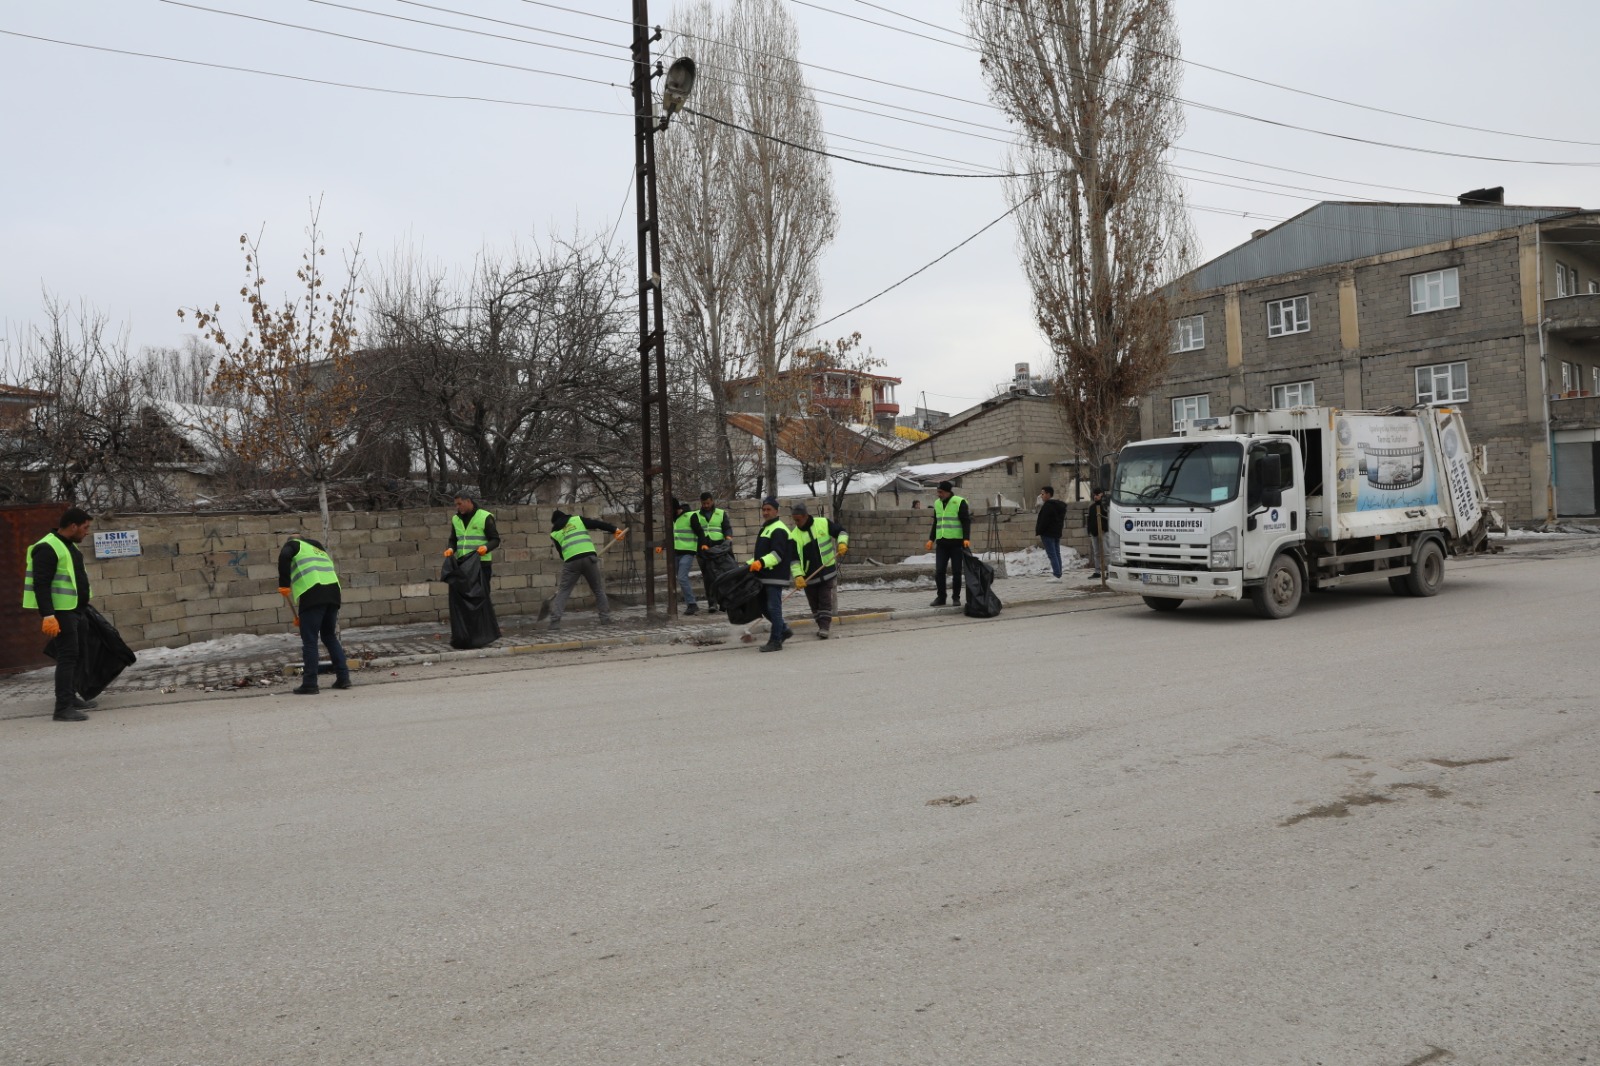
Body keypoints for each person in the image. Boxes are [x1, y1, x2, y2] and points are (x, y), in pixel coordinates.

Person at [23, 507, 98, 722]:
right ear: (73, 526)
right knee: (68, 657)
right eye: (85, 527)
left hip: (76, 610)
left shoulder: (68, 546)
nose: (87, 532)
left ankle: (71, 697)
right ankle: (62, 707)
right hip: (61, 613)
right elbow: (41, 584)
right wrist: (48, 615)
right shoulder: (47, 547)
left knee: (77, 653)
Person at [277, 536, 352, 695]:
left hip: (313, 594)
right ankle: (343, 677)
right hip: (333, 594)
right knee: (329, 636)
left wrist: (284, 584)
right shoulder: (317, 548)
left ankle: (310, 683)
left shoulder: (294, 544)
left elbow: (284, 556)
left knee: (310, 640)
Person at [547, 508, 625, 629]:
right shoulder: (577, 520)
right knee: (598, 590)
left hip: (571, 562)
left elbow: (561, 553)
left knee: (564, 591)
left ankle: (555, 622)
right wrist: (615, 529)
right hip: (589, 558)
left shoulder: (554, 533)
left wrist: (572, 558)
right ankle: (605, 618)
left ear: (555, 522)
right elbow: (597, 524)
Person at [747, 496, 800, 652]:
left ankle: (775, 641)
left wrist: (761, 563)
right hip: (764, 575)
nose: (765, 512)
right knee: (764, 607)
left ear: (776, 511)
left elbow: (777, 555)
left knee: (774, 608)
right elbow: (761, 554)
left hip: (775, 576)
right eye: (763, 509)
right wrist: (750, 564)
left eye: (768, 509)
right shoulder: (767, 528)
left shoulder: (779, 529)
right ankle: (784, 629)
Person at [789, 502, 848, 639]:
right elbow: (794, 559)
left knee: (825, 600)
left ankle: (824, 627)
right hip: (809, 576)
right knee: (814, 604)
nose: (796, 523)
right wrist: (798, 576)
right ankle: (820, 624)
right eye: (794, 520)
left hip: (827, 571)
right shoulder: (794, 536)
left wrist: (842, 543)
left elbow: (841, 531)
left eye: (798, 520)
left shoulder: (823, 523)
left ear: (805, 516)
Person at [444, 492, 500, 601]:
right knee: (466, 599)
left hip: (481, 565)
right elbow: (453, 539)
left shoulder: (485, 517)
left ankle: (483, 618)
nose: (457, 507)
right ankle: (469, 618)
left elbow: (495, 540)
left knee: (481, 597)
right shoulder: (456, 519)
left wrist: (486, 548)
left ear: (468, 501)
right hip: (463, 565)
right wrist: (450, 549)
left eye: (460, 504)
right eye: (456, 504)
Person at [924, 480, 970, 607]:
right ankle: (941, 598)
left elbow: (966, 521)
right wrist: (931, 539)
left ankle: (956, 598)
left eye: (941, 492)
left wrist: (966, 538)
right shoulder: (937, 504)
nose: (939, 494)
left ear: (948, 492)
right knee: (939, 571)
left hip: (956, 543)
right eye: (938, 492)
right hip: (942, 544)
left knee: (956, 572)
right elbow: (936, 523)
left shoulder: (959, 502)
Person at [654, 498, 700, 615]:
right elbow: (671, 536)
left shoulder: (690, 516)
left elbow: (700, 533)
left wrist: (703, 547)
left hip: (688, 552)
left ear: (674, 508)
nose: (666, 513)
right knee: (675, 578)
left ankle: (692, 604)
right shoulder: (673, 520)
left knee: (682, 578)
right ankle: (675, 604)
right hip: (676, 553)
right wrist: (662, 545)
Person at [690, 491, 733, 612]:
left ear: (712, 501)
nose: (706, 506)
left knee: (723, 575)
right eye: (704, 503)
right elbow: (698, 531)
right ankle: (712, 603)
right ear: (701, 503)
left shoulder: (721, 513)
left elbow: (727, 528)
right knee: (708, 577)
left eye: (708, 503)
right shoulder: (696, 515)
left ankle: (724, 602)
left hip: (719, 548)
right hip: (704, 549)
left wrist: (728, 539)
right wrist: (703, 545)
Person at [1035, 485, 1068, 581]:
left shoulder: (1048, 506)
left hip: (1048, 533)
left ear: (1048, 494)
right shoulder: (1058, 505)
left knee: (1052, 554)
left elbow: (1044, 521)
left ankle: (1057, 574)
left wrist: (1040, 530)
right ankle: (1058, 573)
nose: (1041, 496)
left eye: (1043, 494)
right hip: (1056, 533)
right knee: (1056, 553)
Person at [1086, 487, 1110, 578]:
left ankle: (1108, 571)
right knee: (1096, 553)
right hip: (1094, 533)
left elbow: (1108, 519)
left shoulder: (1105, 507)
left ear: (1101, 495)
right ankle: (1097, 571)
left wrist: (1104, 528)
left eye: (1097, 495)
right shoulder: (1092, 507)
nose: (1095, 496)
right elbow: (1089, 520)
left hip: (1104, 532)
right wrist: (1089, 531)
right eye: (1094, 495)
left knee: (1106, 552)